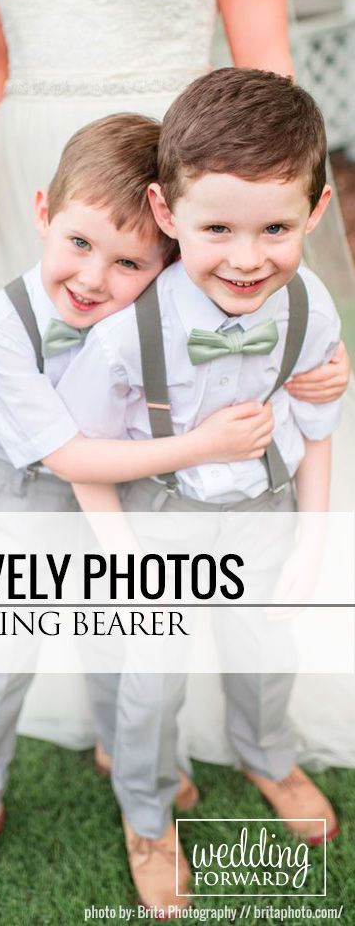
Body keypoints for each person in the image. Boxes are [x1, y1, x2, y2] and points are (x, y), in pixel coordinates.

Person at [0, 0, 354, 757]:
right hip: (39, 181)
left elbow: (266, 69)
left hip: (180, 173)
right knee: (46, 443)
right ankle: (110, 686)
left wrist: (282, 330)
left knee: (171, 391)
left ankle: (207, 706)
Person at [0, 112, 278, 913]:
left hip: (131, 495)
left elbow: (262, 326)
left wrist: (319, 374)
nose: (93, 279)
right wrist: (197, 448)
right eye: (81, 244)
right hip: (28, 498)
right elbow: (70, 457)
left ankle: (141, 793)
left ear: (165, 262)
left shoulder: (164, 314)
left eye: (128, 264)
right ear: (44, 210)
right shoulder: (1, 330)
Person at [53, 68, 341, 911]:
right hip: (157, 524)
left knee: (265, 653)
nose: (248, 259)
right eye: (217, 227)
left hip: (266, 512)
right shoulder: (124, 337)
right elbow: (78, 455)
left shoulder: (310, 307)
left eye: (276, 228)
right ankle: (147, 815)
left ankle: (266, 754)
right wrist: (125, 555)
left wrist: (313, 543)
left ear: (315, 214)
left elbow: (316, 428)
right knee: (154, 682)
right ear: (167, 214)